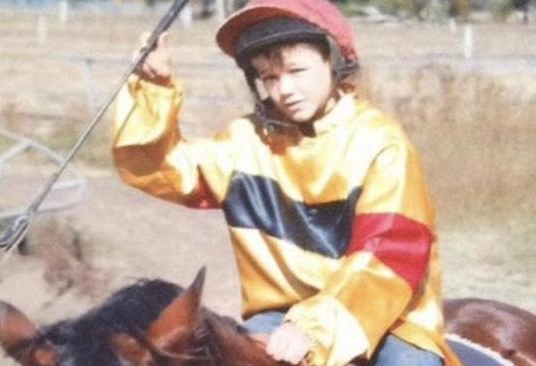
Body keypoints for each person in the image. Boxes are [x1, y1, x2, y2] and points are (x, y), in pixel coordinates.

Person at [111, 0, 462, 365]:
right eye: (270, 78)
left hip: (385, 317)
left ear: (334, 61)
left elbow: (387, 258)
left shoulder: (381, 144)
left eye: (297, 70)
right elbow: (160, 169)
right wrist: (152, 87)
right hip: (278, 314)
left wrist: (313, 329)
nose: (285, 90)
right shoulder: (244, 141)